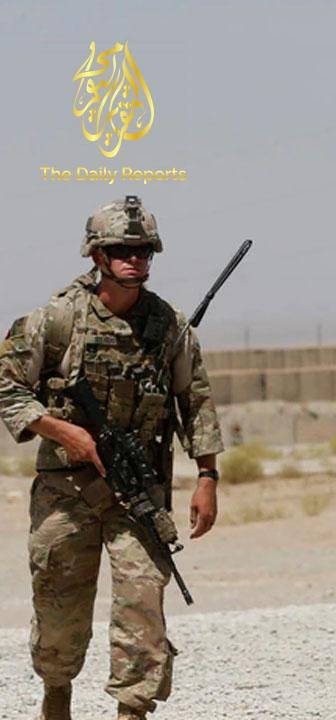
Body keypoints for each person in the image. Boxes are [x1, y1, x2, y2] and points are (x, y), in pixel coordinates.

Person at [0, 196, 225, 720]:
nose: (135, 259)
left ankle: (133, 708)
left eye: (144, 250)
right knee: (58, 610)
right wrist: (62, 431)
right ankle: (57, 695)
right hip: (67, 491)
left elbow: (195, 400)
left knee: (143, 605)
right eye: (122, 250)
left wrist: (208, 476)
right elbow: (7, 387)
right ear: (97, 255)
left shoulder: (168, 326)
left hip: (136, 492)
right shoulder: (56, 319)